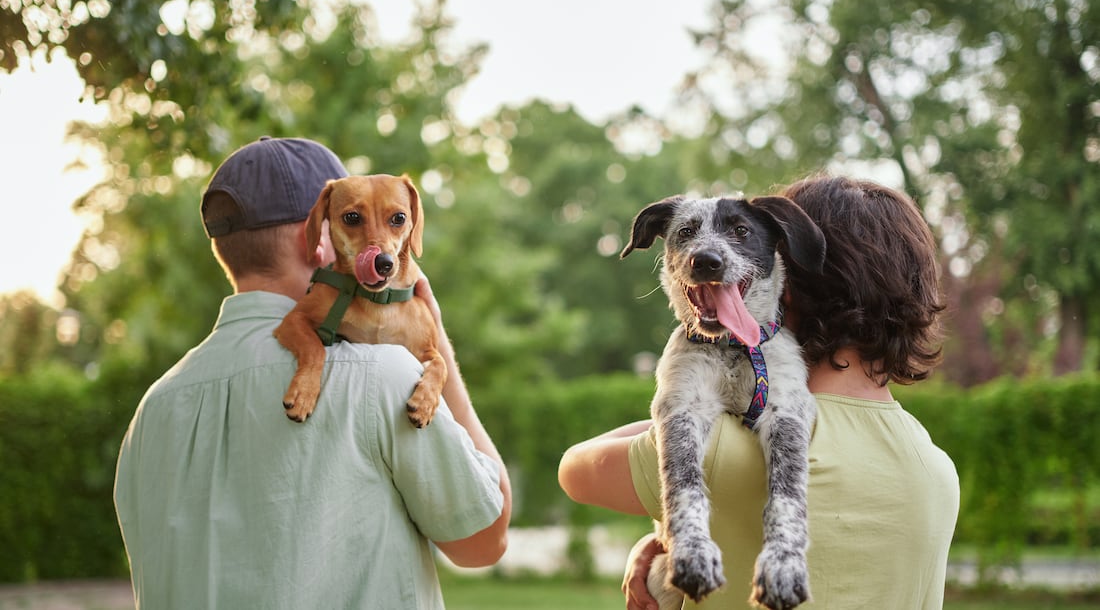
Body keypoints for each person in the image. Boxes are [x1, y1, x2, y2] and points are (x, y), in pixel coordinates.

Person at [114, 136, 511, 609]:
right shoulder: (384, 378)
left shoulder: (152, 410)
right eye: (353, 219)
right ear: (320, 240)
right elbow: (485, 539)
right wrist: (437, 341)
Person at [558, 174, 960, 609]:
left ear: (790, 283)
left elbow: (575, 470)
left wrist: (661, 536)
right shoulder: (936, 469)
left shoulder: (719, 450)